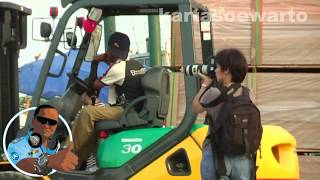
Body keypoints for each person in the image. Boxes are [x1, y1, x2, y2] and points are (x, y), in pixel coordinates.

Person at [71, 32, 145, 166]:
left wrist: (94, 62)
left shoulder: (117, 69)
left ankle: (73, 159)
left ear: (109, 50)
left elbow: (93, 85)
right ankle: (88, 159)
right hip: (133, 107)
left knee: (87, 113)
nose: (111, 55)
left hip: (125, 110)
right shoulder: (137, 65)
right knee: (94, 114)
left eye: (112, 52)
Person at [193, 48, 257, 180]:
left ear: (226, 70)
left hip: (217, 155)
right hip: (243, 156)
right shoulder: (248, 94)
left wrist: (205, 85)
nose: (215, 70)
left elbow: (196, 107)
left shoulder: (214, 93)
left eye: (217, 67)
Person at [7, 104, 78, 175]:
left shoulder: (55, 145)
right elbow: (21, 164)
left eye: (52, 122)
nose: (46, 126)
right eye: (42, 120)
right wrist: (50, 161)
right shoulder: (16, 145)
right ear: (34, 121)